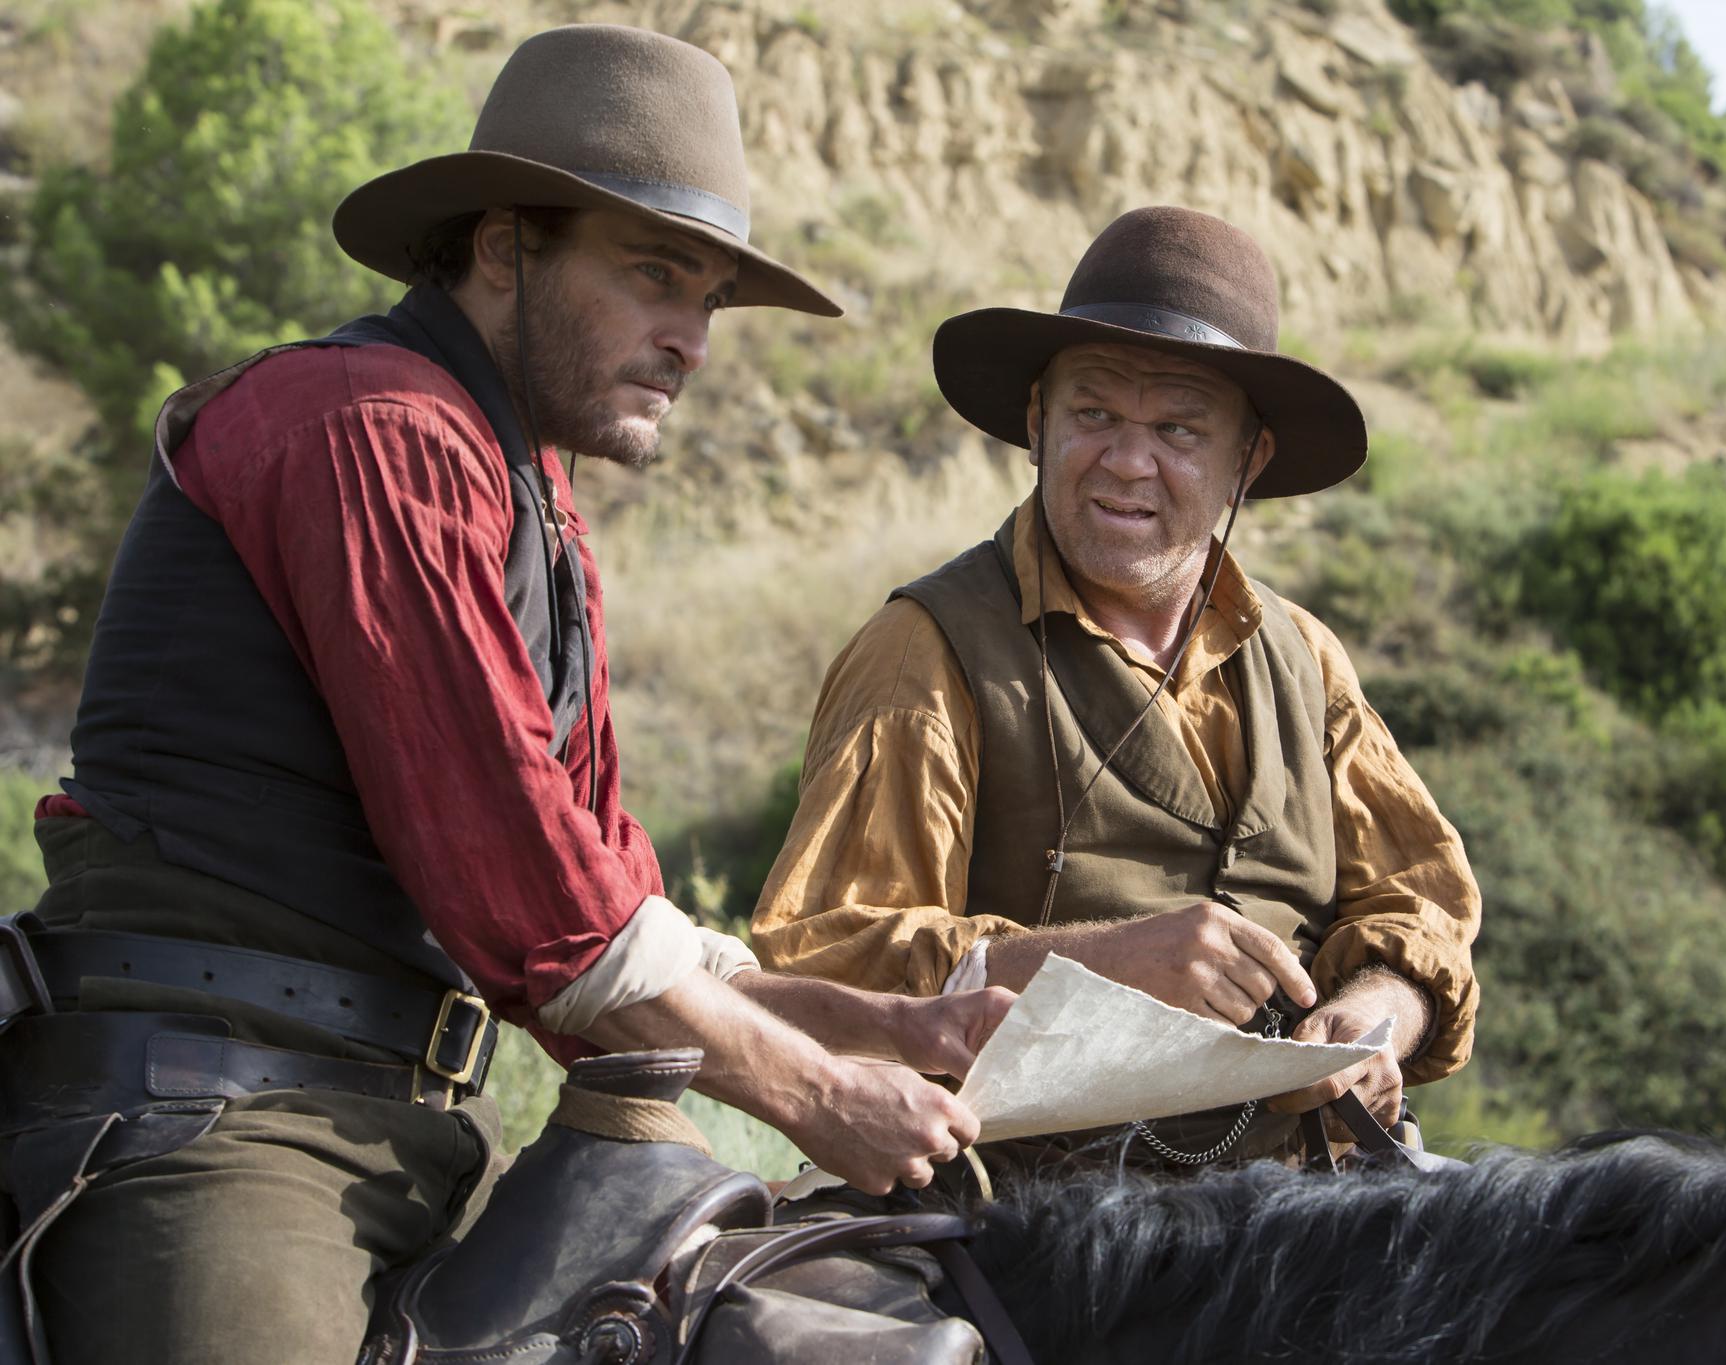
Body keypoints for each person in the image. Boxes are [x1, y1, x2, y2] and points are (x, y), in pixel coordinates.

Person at [0, 25, 1008, 1364]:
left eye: (711, 300)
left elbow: (612, 904)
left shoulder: (529, 498)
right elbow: (543, 912)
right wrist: (817, 1092)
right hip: (216, 1118)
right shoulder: (373, 431)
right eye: (655, 276)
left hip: (411, 1130)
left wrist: (884, 1026)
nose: (692, 341)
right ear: (502, 248)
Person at [753, 206, 1481, 1172]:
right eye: (1094, 415)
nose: (1129, 462)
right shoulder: (924, 651)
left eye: (1179, 428)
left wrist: (1379, 1011)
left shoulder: (1305, 659)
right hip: (1027, 1212)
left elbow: (1420, 903)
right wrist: (1097, 964)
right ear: (1037, 423)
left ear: (1247, 461)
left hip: (1299, 1200)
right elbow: (821, 960)